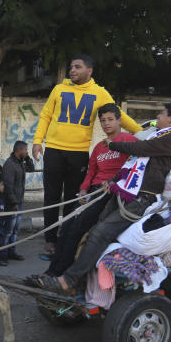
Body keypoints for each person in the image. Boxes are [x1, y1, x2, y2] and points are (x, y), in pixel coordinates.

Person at [36, 102, 171, 295]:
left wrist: (113, 145)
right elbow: (133, 165)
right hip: (123, 192)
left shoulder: (169, 138)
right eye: (103, 121)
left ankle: (69, 280)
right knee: (86, 231)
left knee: (98, 234)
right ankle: (71, 278)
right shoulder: (158, 136)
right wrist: (112, 181)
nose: (158, 116)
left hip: (141, 198)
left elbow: (138, 149)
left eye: (162, 113)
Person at [32, 55, 144, 257]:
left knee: (73, 199)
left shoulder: (100, 93)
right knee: (51, 197)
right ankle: (50, 240)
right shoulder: (59, 89)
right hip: (54, 150)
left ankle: (65, 237)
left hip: (79, 153)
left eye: (77, 67)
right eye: (71, 67)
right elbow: (46, 115)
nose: (72, 70)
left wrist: (141, 132)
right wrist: (37, 141)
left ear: (89, 71)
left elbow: (119, 115)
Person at [43, 104, 137, 278]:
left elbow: (134, 167)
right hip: (93, 192)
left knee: (76, 229)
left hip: (111, 192)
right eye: (102, 121)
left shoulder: (129, 141)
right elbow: (91, 172)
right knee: (66, 227)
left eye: (110, 119)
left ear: (119, 120)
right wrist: (84, 190)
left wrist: (114, 183)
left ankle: (59, 274)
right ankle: (50, 272)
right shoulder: (99, 147)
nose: (106, 124)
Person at [0, 141, 30, 264]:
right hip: (12, 203)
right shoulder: (10, 164)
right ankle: (2, 256)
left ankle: (12, 252)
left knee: (15, 230)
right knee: (8, 231)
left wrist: (28, 158)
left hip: (19, 201)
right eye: (26, 150)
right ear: (19, 150)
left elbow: (31, 168)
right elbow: (8, 186)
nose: (27, 152)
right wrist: (14, 202)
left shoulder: (20, 162)